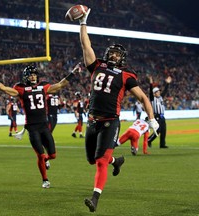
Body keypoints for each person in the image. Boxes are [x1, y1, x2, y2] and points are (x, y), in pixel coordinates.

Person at [78, 8, 159, 212]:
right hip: (92, 120)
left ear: (122, 58)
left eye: (116, 53)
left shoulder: (126, 75)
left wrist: (151, 119)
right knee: (91, 159)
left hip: (110, 121)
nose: (112, 55)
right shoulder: (97, 66)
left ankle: (95, 198)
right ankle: (117, 161)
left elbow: (142, 97)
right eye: (111, 52)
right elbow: (85, 44)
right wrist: (82, 23)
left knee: (100, 162)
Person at [0, 63, 82, 188]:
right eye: (30, 75)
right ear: (26, 77)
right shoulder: (20, 89)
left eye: (34, 75)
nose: (33, 77)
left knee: (52, 155)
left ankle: (46, 160)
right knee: (40, 155)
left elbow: (60, 85)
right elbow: (4, 88)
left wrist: (73, 73)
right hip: (32, 127)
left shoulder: (43, 87)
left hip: (44, 125)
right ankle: (45, 180)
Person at [148, 75, 172, 148]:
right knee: (158, 130)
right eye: (157, 92)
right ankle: (149, 140)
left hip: (162, 116)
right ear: (154, 93)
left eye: (159, 91)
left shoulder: (161, 98)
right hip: (157, 116)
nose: (159, 92)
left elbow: (165, 91)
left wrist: (167, 83)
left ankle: (162, 144)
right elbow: (150, 93)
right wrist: (151, 84)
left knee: (164, 130)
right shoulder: (153, 99)